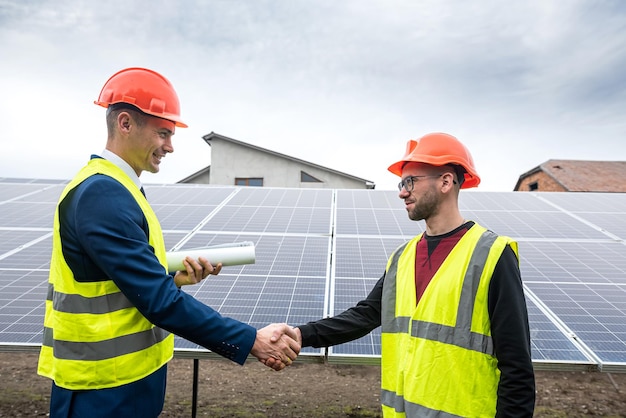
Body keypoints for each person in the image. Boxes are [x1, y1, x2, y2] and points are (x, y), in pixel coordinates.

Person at [37, 67, 300, 418]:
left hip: (123, 384)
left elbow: (116, 280)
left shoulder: (120, 188)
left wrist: (173, 278)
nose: (170, 146)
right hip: (100, 391)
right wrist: (251, 339)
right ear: (126, 123)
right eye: (163, 133)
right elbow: (158, 302)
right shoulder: (101, 194)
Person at [270, 132, 536, 417]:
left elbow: (517, 369)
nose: (402, 191)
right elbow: (365, 315)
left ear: (446, 182)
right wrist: (301, 334)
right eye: (401, 182)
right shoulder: (402, 256)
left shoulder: (492, 254)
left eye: (411, 181)